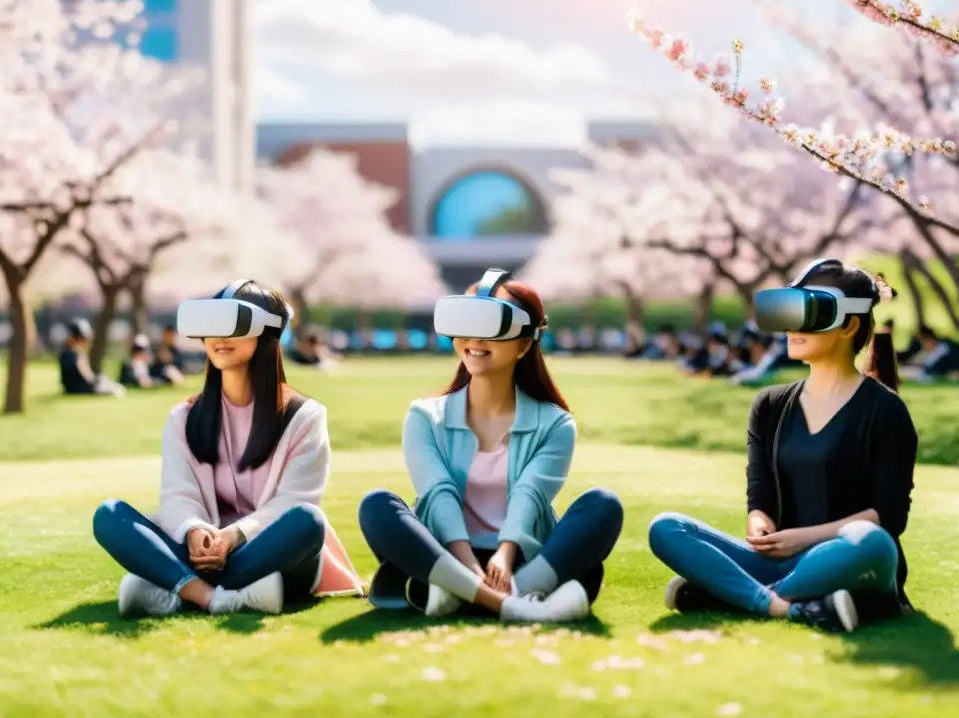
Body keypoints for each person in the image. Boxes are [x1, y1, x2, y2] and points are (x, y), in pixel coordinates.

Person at [649, 259, 917, 633]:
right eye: (790, 311)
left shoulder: (886, 410)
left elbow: (889, 517)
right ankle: (793, 607)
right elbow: (760, 494)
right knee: (667, 527)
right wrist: (760, 525)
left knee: (872, 543)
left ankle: (735, 596)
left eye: (811, 312)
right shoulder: (769, 405)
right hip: (779, 560)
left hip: (847, 559)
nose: (794, 327)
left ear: (850, 324)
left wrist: (802, 539)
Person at [359, 269, 624, 623]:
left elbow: (530, 495)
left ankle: (467, 593)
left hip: (520, 559)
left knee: (603, 505)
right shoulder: (426, 416)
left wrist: (505, 553)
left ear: (524, 344)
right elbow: (438, 493)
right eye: (467, 322)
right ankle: (515, 602)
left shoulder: (555, 423)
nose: (474, 339)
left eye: (492, 326)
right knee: (377, 505)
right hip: (446, 555)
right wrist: (467, 563)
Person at [92, 280, 363, 618]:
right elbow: (178, 494)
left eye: (233, 323)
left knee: (308, 521)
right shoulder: (184, 418)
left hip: (270, 552)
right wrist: (194, 529)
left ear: (267, 332)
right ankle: (213, 596)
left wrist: (234, 536)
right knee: (109, 514)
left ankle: (173, 585)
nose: (218, 337)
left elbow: (296, 501)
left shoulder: (304, 417)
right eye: (211, 324)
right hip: (201, 550)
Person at [58, 318, 124, 397]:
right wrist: (95, 380)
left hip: (71, 389)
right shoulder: (76, 353)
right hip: (81, 388)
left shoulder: (66, 352)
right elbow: (86, 374)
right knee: (109, 385)